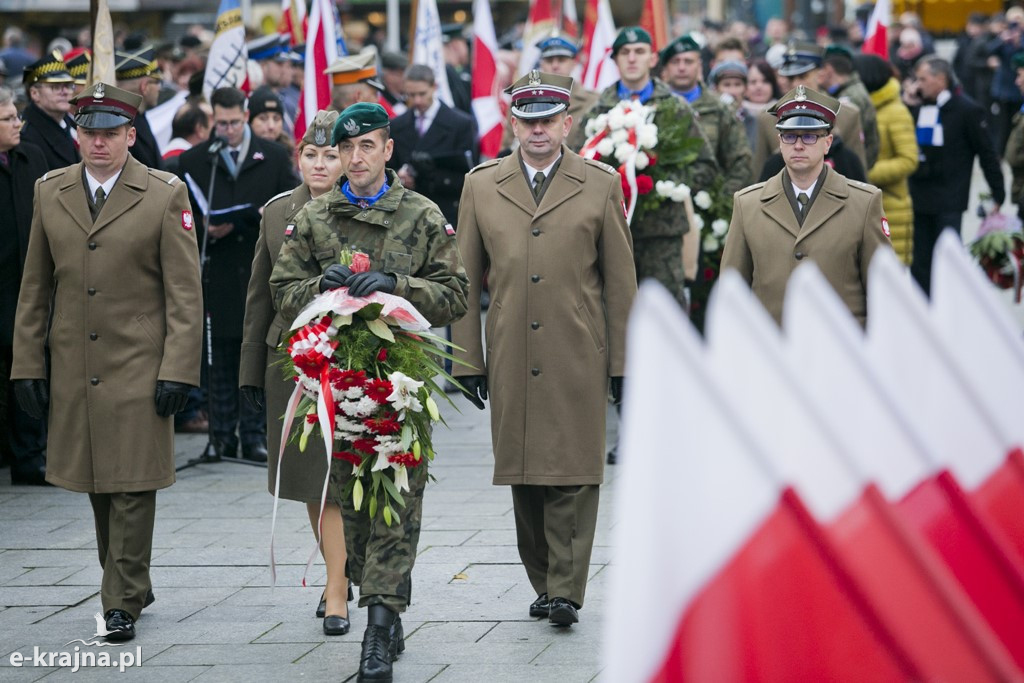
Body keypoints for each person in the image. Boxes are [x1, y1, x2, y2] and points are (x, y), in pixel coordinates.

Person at [269, 102, 468, 682]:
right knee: (349, 505)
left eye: (367, 147)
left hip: (399, 382)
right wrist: (318, 288)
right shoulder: (314, 218)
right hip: (334, 381)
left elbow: (455, 293)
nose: (354, 159)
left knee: (399, 500)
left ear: (388, 150)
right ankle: (380, 597)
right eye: (345, 148)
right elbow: (283, 289)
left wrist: (396, 286)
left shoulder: (421, 213)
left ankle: (378, 626)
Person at [11, 81, 203, 640]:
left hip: (141, 361)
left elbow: (185, 294)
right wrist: (28, 365)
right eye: (89, 133)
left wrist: (179, 370)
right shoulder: (51, 191)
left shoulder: (165, 193)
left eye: (110, 134)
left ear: (130, 136)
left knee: (132, 483)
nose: (98, 143)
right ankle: (130, 581)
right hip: (74, 361)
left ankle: (119, 601)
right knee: (97, 482)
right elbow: (35, 287)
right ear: (76, 136)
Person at [452, 70, 637, 628]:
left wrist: (626, 365)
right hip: (509, 346)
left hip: (578, 346)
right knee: (525, 469)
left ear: (566, 123)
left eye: (548, 119)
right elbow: (463, 276)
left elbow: (620, 282)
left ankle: (566, 589)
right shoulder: (481, 184)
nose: (537, 129)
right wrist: (466, 359)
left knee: (574, 471)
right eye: (527, 119)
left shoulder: (600, 183)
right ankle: (543, 579)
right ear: (513, 123)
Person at [239, 110, 352, 636]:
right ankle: (337, 583)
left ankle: (341, 581)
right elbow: (259, 295)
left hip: (354, 356)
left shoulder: (362, 206)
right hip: (292, 360)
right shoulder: (277, 211)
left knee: (349, 476)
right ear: (298, 156)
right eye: (311, 154)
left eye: (332, 154)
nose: (321, 163)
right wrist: (248, 374)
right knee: (312, 479)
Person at [176, 86, 298, 463]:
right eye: (220, 123)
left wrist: (263, 221)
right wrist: (201, 225)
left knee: (256, 352)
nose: (227, 130)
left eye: (233, 122)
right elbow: (179, 210)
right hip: (218, 270)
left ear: (245, 116)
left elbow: (292, 209)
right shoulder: (196, 159)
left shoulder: (274, 156)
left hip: (257, 269)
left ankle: (254, 432)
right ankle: (222, 434)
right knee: (220, 356)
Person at [721, 85, 891, 327]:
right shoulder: (747, 204)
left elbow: (883, 290)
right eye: (789, 136)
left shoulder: (864, 203)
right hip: (772, 348)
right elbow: (732, 289)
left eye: (809, 136)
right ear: (780, 142)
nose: (798, 146)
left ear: (828, 142)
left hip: (843, 348)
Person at [907, 56, 1005, 294]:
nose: (918, 85)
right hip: (919, 195)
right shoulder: (918, 107)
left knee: (947, 259)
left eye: (923, 79)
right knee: (920, 261)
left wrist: (997, 194)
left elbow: (987, 154)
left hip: (949, 198)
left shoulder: (967, 110)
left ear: (941, 80)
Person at [0, 85, 48, 486]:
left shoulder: (30, 157)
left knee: (29, 368)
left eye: (17, 117)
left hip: (27, 284)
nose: (18, 124)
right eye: (8, 119)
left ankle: (29, 457)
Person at [752, 41, 866, 178]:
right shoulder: (767, 118)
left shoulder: (846, 114)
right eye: (790, 77)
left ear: (820, 74)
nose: (795, 83)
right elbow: (760, 175)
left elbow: (857, 172)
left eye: (802, 76)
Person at [659, 33, 753, 195]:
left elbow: (740, 162)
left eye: (688, 61)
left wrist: (722, 203)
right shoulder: (653, 106)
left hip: (709, 205)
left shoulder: (720, 108)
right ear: (666, 68)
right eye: (675, 62)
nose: (682, 67)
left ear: (699, 66)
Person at [390, 64, 478, 227]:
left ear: (434, 87)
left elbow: (470, 175)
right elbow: (387, 167)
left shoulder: (460, 124)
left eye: (422, 94)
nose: (417, 100)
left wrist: (428, 174)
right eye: (411, 95)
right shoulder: (397, 125)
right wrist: (399, 176)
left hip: (445, 213)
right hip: (406, 216)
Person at [856, 53, 919, 265]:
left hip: (892, 207)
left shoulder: (896, 111)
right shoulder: (862, 109)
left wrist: (865, 172)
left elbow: (908, 159)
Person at [819, 44, 880, 169]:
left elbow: (852, 139)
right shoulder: (847, 91)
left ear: (828, 69)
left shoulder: (851, 97)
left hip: (853, 167)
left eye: (819, 69)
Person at [20, 51, 80, 171]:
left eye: (68, 85)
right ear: (34, 93)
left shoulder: (68, 122)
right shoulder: (27, 135)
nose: (65, 92)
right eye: (55, 87)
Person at [115, 46, 165, 170]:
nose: (160, 88)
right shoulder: (124, 125)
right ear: (144, 86)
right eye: (157, 82)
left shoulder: (135, 119)